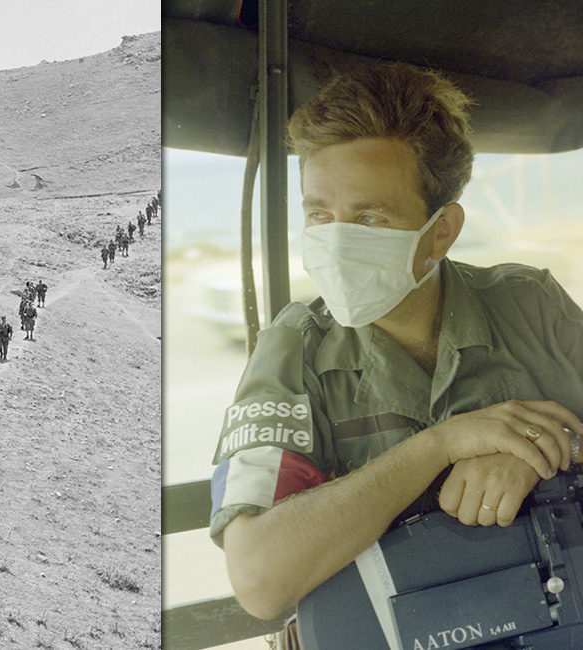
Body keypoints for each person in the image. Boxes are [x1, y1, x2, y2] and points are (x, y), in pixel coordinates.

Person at [209, 62, 583, 626]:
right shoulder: (296, 348)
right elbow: (260, 579)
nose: (337, 243)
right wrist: (440, 446)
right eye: (319, 215)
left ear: (441, 231)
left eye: (370, 218)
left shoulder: (529, 303)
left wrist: (541, 454)